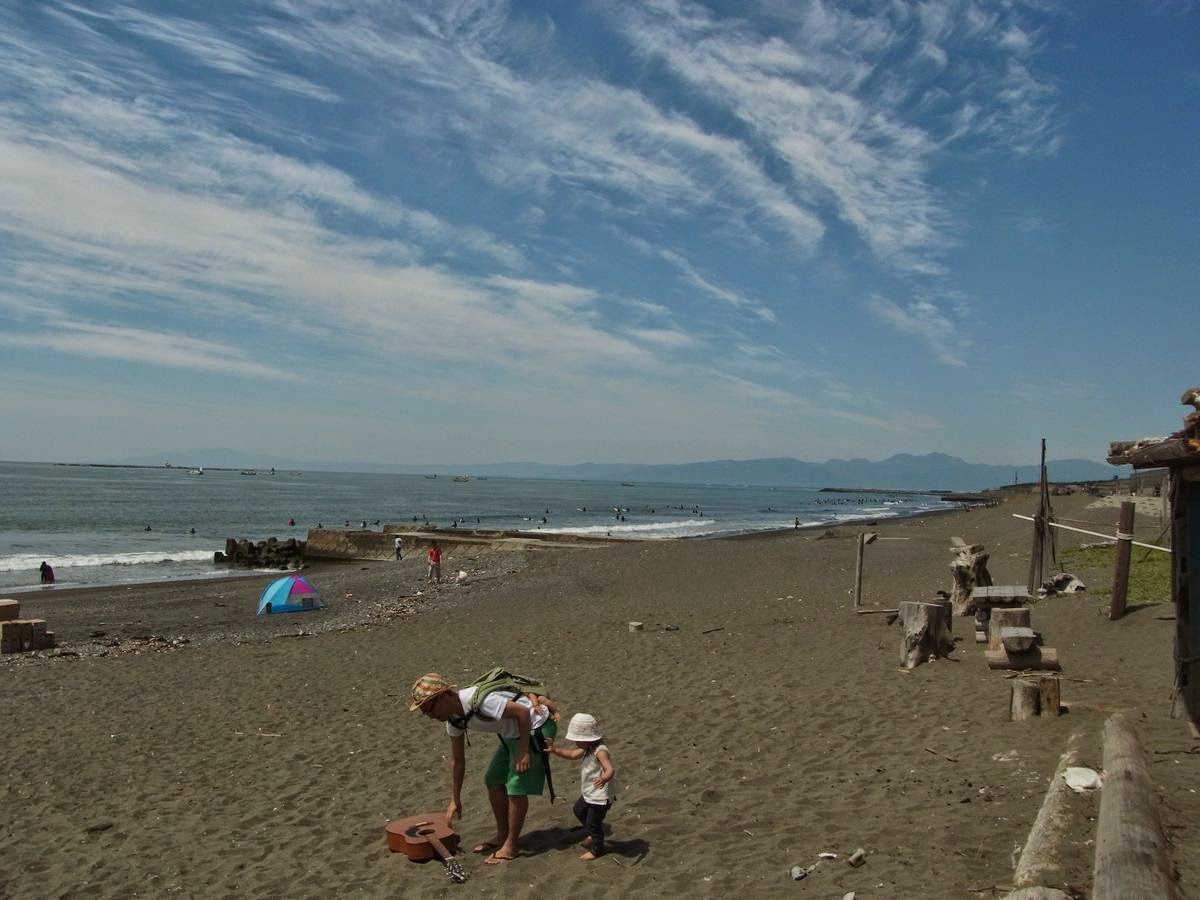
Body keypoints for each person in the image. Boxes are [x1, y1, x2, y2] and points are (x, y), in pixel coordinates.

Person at [410, 673, 558, 865]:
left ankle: (511, 846)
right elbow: (457, 760)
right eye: (424, 712)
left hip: (535, 726)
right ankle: (502, 834)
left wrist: (523, 752)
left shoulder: (482, 701)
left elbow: (522, 713)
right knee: (493, 779)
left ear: (444, 696)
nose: (429, 716)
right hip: (512, 733)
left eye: (429, 709)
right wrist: (455, 799)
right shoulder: (454, 720)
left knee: (516, 786)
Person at [547, 713, 617, 860]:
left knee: (593, 822)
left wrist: (604, 778)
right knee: (579, 810)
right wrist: (554, 750)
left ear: (586, 739)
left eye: (577, 739)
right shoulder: (587, 749)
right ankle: (594, 832)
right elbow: (572, 754)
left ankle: (597, 849)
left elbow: (610, 769)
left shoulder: (600, 751)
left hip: (600, 796)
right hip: (590, 792)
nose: (575, 742)